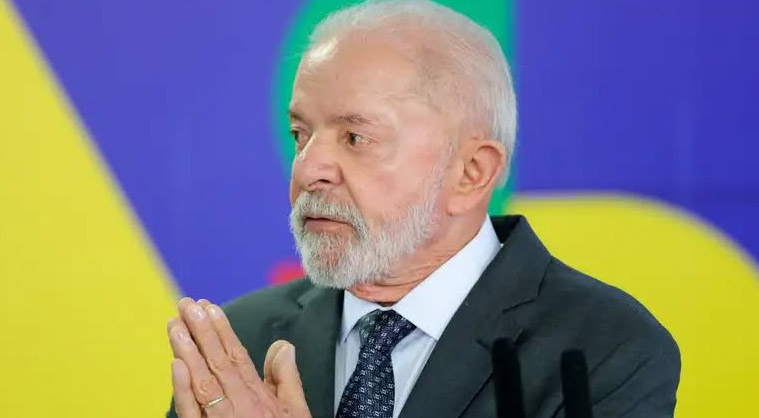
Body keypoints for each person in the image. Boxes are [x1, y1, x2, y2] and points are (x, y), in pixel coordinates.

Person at [165, 1, 680, 417]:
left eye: (355, 137)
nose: (309, 168)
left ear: (471, 172)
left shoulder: (602, 348)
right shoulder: (243, 343)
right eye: (301, 134)